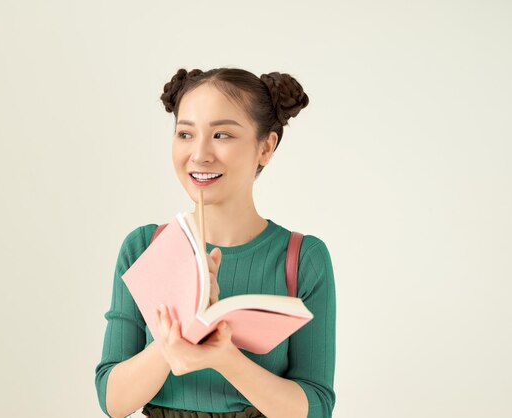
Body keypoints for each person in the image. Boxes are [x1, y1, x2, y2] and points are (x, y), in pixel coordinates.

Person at [94, 68, 336, 418]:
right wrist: (179, 330)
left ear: (266, 147)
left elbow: (316, 408)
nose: (199, 154)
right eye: (185, 134)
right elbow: (112, 400)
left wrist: (225, 357)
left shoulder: (303, 258)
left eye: (221, 134)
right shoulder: (143, 247)